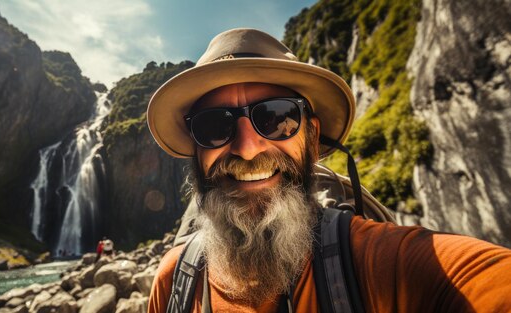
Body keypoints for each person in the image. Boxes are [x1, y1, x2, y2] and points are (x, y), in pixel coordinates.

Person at [145, 28, 511, 312]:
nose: (246, 148)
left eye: (276, 117)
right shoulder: (175, 281)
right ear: (196, 151)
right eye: (213, 126)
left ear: (312, 134)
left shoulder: (381, 263)